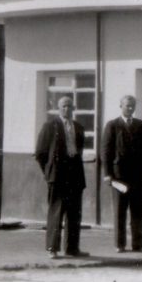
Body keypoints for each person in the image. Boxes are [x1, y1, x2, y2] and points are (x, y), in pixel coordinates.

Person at [35, 96, 88, 259]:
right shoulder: (50, 126)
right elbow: (40, 153)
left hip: (75, 175)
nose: (67, 109)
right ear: (58, 108)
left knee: (74, 213)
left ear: (74, 109)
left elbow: (79, 151)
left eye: (70, 107)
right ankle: (52, 248)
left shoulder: (79, 128)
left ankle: (72, 248)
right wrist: (49, 172)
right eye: (64, 106)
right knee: (56, 212)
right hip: (57, 176)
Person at [101, 95, 142, 253]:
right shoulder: (112, 125)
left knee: (138, 211)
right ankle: (120, 244)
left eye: (132, 106)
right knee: (120, 211)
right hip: (119, 176)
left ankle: (139, 244)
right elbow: (106, 151)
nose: (130, 108)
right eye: (127, 106)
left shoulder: (141, 125)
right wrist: (108, 174)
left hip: (138, 176)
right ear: (120, 106)